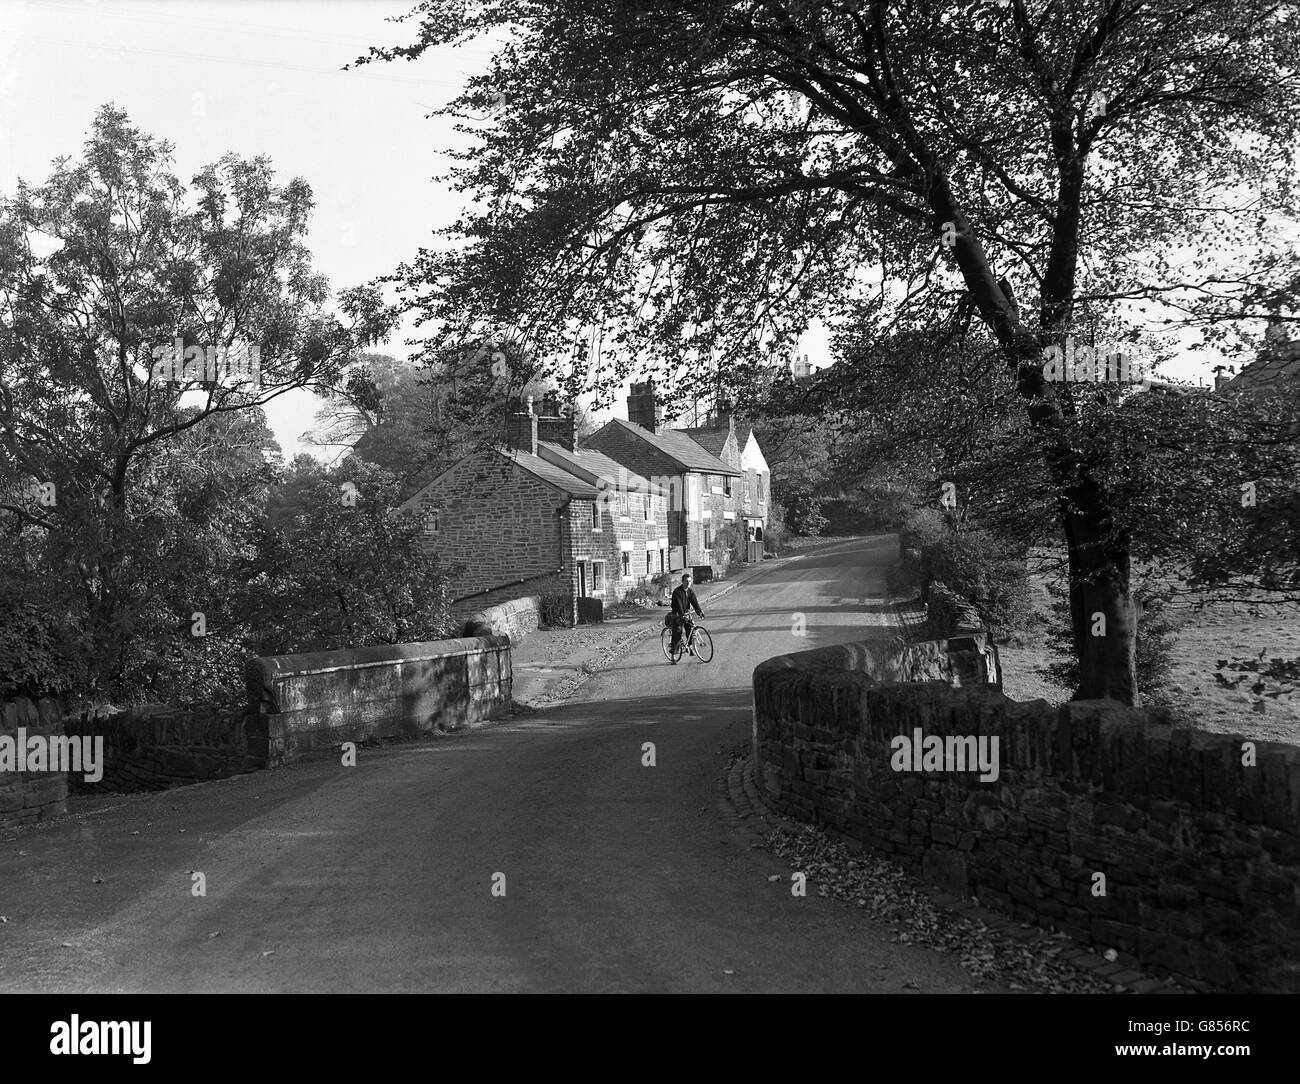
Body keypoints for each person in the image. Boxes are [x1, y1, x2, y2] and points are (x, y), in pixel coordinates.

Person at [668, 573, 703, 662]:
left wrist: (699, 612)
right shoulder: (677, 592)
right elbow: (679, 604)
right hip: (677, 614)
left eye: (690, 581)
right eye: (686, 581)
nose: (688, 583)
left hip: (686, 613)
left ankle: (690, 647)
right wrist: (682, 614)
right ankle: (673, 656)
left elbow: (694, 602)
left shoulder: (690, 591)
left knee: (690, 628)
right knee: (678, 632)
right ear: (682, 581)